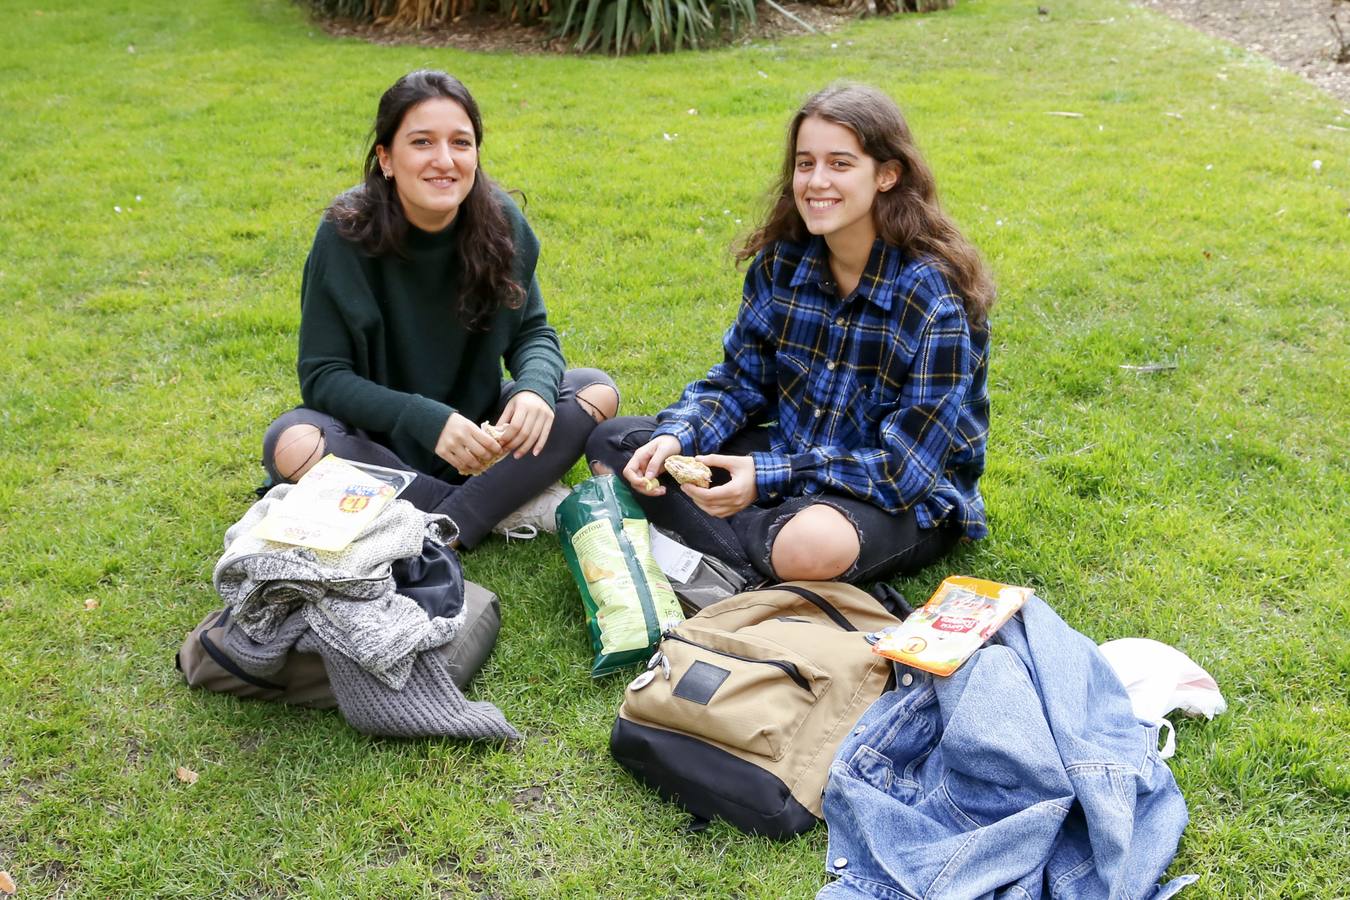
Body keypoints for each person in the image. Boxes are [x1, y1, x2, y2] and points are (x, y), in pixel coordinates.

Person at [587, 83, 993, 584]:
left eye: (840, 164)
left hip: (899, 497)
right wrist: (678, 436)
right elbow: (740, 382)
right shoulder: (782, 262)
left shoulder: (934, 297)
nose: (817, 181)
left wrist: (765, 477)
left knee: (811, 544)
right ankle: (742, 555)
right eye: (805, 163)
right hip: (792, 454)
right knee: (619, 444)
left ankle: (720, 555)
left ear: (887, 175)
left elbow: (904, 471)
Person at [262, 70, 619, 548]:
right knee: (293, 443)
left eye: (461, 143)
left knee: (596, 391)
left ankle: (435, 516)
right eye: (422, 142)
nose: (445, 161)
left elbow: (533, 332)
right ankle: (490, 507)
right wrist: (424, 418)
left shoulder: (499, 220)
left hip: (481, 433)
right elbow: (324, 375)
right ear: (386, 158)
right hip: (377, 441)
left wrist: (532, 391)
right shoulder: (345, 233)